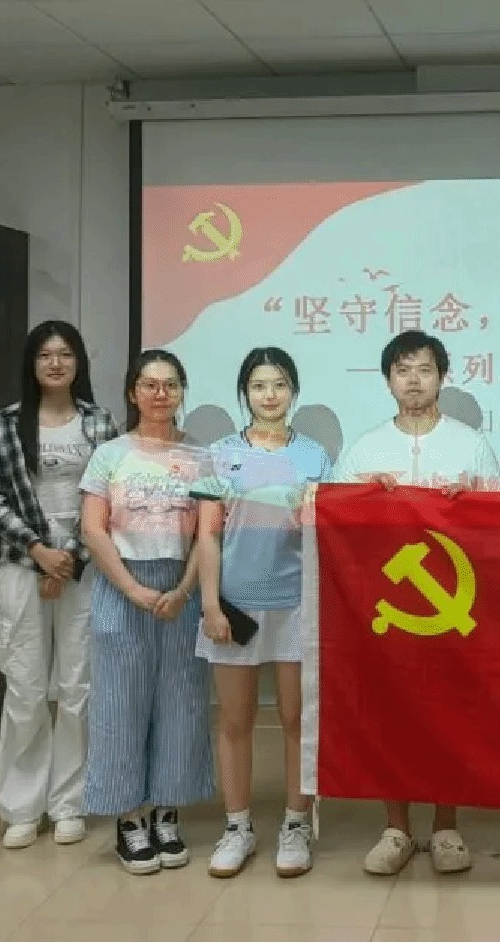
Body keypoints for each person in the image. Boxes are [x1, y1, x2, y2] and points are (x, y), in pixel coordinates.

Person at [331, 329, 500, 878]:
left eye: (424, 369)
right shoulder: (365, 448)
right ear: (388, 380)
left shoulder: (469, 444)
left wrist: (473, 501)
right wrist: (363, 496)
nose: (413, 380)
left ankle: (447, 825)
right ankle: (396, 828)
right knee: (391, 714)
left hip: (453, 606)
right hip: (386, 610)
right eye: (402, 370)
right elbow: (330, 518)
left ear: (442, 377)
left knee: (451, 714)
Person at [192, 348, 330, 880]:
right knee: (235, 719)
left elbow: (324, 532)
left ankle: (296, 824)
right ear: (244, 393)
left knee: (296, 718)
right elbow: (208, 534)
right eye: (258, 385)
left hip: (296, 603)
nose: (269, 395)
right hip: (234, 604)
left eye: (279, 384)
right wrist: (210, 603)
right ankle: (237, 827)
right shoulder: (220, 454)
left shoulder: (315, 456)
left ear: (293, 390)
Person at [0, 320, 119, 850]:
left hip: (84, 567)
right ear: (32, 364)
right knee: (26, 687)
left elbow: (110, 496)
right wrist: (40, 553)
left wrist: (69, 561)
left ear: (79, 362)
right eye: (45, 355)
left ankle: (69, 803)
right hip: (22, 565)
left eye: (65, 354)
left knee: (79, 688)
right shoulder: (6, 423)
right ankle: (21, 807)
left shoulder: (98, 423)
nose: (56, 363)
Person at [79, 350, 215, 875]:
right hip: (122, 585)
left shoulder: (201, 456)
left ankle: (166, 812)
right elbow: (93, 529)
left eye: (171, 384)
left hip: (182, 588)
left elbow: (208, 534)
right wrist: (132, 589)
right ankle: (129, 818)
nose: (161, 394)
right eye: (150, 384)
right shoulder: (109, 454)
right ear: (133, 392)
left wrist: (183, 589)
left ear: (182, 392)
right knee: (120, 704)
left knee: (182, 702)